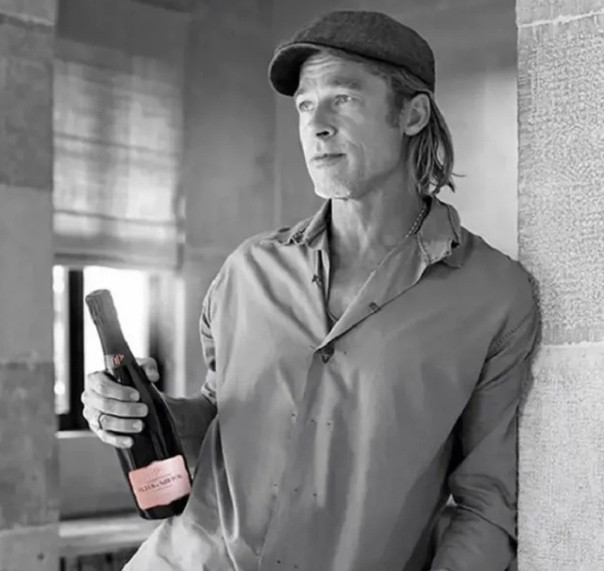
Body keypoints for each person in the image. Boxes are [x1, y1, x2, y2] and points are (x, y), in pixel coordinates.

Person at [81, 10, 540, 571]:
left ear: (412, 114)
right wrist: (142, 415)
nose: (316, 126)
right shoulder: (247, 270)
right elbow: (221, 418)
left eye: (343, 99)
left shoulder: (494, 295)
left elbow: (488, 503)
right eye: (304, 105)